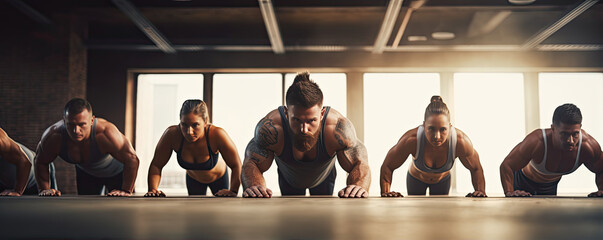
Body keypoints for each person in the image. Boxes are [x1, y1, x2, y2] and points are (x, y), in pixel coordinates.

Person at [241, 72, 371, 198]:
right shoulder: (271, 128)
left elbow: (360, 161)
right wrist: (254, 185)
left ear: (321, 114)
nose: (304, 129)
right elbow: (251, 162)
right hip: (288, 179)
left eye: (311, 121)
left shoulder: (336, 128)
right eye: (297, 120)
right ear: (286, 113)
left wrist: (359, 185)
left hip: (324, 177)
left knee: (324, 217)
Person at [380, 96, 486, 197]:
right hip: (415, 180)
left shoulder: (460, 141)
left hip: (442, 181)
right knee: (416, 215)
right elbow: (388, 166)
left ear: (449, 127)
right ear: (424, 125)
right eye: (431, 129)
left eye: (443, 129)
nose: (437, 136)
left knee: (440, 215)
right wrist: (386, 192)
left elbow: (476, 168)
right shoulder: (411, 140)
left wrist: (480, 192)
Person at [35, 98, 139, 197]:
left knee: (118, 209)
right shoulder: (54, 136)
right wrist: (44, 189)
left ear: (92, 120)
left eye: (82, 125)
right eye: (71, 124)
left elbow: (132, 159)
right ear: (64, 120)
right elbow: (40, 161)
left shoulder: (105, 133)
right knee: (86, 208)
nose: (76, 130)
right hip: (87, 173)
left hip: (116, 173)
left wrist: (126, 190)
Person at [500, 103, 603, 197]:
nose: (570, 140)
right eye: (564, 134)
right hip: (523, 181)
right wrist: (509, 192)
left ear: (580, 127)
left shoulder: (588, 146)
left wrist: (601, 190)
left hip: (550, 186)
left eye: (575, 133)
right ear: (553, 128)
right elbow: (506, 165)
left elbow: (601, 168)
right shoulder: (536, 141)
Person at [145, 100, 241, 197]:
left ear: (205, 121)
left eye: (195, 125)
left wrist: (233, 191)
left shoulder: (217, 134)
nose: (189, 132)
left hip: (218, 178)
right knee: (194, 211)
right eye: (184, 125)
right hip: (193, 179)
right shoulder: (172, 135)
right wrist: (153, 190)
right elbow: (157, 165)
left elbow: (236, 165)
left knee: (222, 211)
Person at [0, 127, 56, 196]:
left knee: (50, 196)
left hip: (34, 170)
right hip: (9, 181)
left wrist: (17, 191)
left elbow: (25, 162)